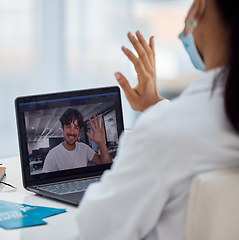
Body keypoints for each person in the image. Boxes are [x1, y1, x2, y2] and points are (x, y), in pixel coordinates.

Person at [76, 0, 239, 239]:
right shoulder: (183, 126)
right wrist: (155, 107)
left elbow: (94, 229)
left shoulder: (164, 132)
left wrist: (157, 121)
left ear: (201, 7)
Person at [42, 108, 112, 173]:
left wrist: (101, 144)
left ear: (79, 130)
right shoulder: (53, 154)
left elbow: (106, 164)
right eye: (68, 127)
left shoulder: (84, 148)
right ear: (63, 128)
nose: (72, 132)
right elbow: (44, 182)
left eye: (76, 127)